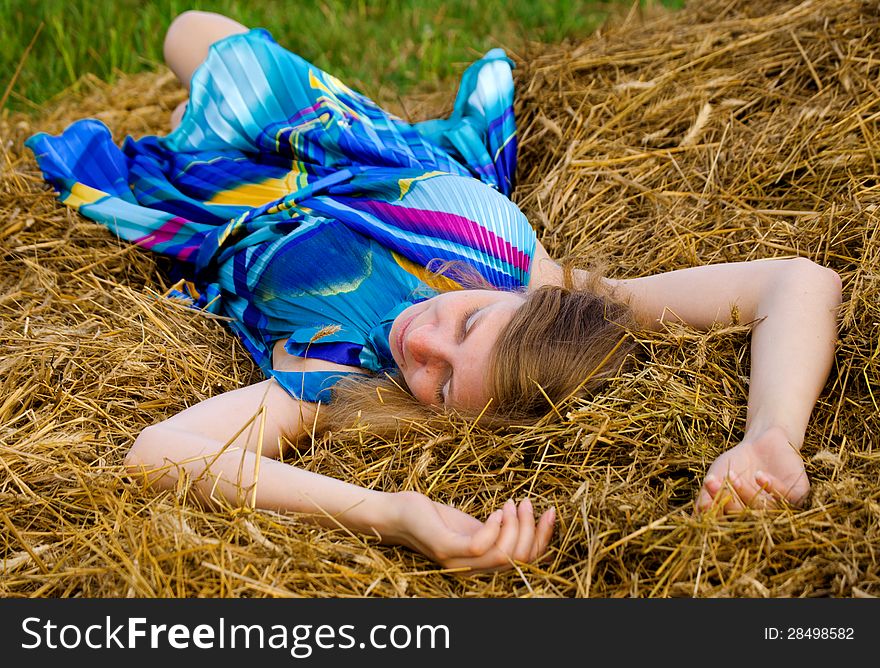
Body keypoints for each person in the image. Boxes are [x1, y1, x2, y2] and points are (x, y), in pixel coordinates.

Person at [25, 10, 842, 572]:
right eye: (469, 319)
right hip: (347, 145)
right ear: (522, 301)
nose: (424, 343)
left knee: (185, 42)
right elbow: (796, 282)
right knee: (189, 31)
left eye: (444, 381)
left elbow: (157, 455)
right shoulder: (549, 283)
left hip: (237, 203)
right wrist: (776, 432)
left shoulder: (342, 375)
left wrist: (389, 511)